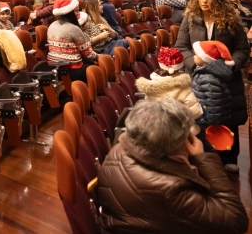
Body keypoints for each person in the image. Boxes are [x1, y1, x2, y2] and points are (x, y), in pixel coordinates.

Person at [96, 98, 248, 234]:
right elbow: (236, 220)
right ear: (180, 142)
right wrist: (203, 158)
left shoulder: (120, 147)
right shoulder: (172, 190)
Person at [175, 0, 249, 172]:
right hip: (198, 77)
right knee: (201, 118)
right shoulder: (190, 19)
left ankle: (229, 157)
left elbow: (242, 49)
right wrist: (193, 62)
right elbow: (181, 47)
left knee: (228, 116)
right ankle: (205, 159)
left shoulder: (231, 18)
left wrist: (231, 65)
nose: (205, 1)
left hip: (226, 77)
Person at [46, 0, 98, 81]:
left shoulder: (52, 25)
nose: (78, 14)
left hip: (54, 69)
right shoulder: (74, 29)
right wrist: (101, 57)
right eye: (76, 11)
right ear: (69, 13)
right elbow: (88, 54)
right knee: (97, 70)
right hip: (72, 69)